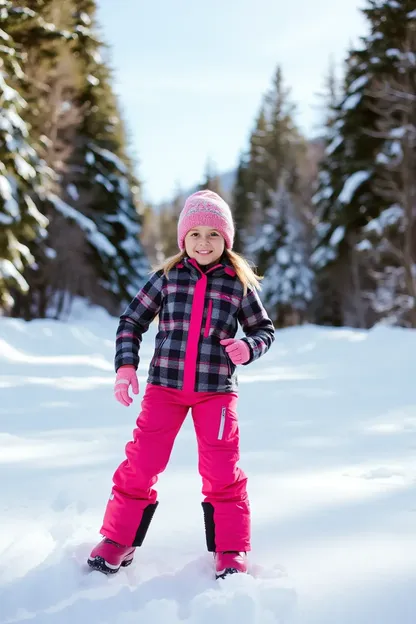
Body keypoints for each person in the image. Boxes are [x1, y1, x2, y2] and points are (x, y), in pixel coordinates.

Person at [87, 190, 275, 578]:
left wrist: (247, 347)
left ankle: (230, 549)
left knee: (223, 470)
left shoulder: (238, 283)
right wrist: (125, 368)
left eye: (213, 235)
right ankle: (118, 539)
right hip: (165, 389)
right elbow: (131, 322)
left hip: (217, 393)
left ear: (226, 240)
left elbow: (263, 330)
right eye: (195, 234)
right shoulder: (168, 278)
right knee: (141, 463)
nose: (203, 242)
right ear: (182, 238)